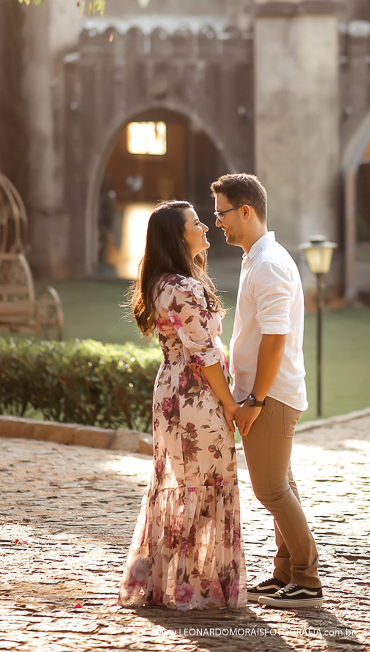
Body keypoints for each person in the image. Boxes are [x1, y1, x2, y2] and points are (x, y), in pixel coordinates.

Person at [118, 200, 247, 611]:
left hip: (174, 394)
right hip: (196, 398)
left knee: (182, 481)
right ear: (178, 235)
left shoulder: (165, 283)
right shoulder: (182, 287)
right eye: (196, 223)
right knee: (202, 481)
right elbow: (205, 354)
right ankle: (190, 583)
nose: (206, 226)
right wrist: (231, 406)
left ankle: (172, 580)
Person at [211, 173, 323, 610]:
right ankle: (285, 573)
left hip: (270, 396)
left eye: (221, 212)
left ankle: (307, 579)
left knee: (271, 489)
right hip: (264, 393)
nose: (216, 221)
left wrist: (254, 400)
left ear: (245, 211)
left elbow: (275, 339)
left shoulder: (270, 263)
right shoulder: (257, 258)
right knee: (282, 485)